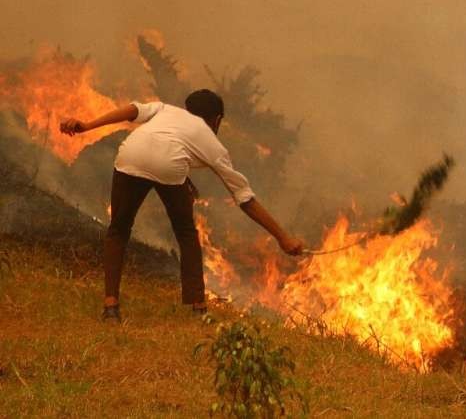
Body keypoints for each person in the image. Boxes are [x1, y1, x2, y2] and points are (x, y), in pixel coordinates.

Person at [60, 89, 304, 321]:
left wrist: (88, 125)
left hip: (130, 155)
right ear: (216, 120)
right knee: (186, 233)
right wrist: (283, 238)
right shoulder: (211, 141)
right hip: (169, 166)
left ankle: (111, 305)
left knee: (119, 230)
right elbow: (244, 198)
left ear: (187, 108)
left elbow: (133, 110)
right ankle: (198, 307)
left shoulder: (165, 109)